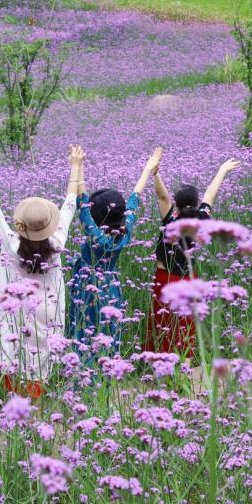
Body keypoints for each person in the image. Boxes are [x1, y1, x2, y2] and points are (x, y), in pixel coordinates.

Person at [0, 146, 82, 399]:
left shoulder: (12, 244)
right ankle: (36, 408)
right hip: (46, 310)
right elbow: (69, 204)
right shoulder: (56, 244)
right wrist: (76, 165)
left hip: (17, 313)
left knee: (14, 354)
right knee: (40, 360)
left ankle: (16, 410)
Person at [68, 148, 162, 359]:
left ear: (96, 216)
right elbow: (133, 201)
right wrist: (148, 169)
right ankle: (107, 378)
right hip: (111, 289)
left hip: (87, 288)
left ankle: (84, 379)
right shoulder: (123, 232)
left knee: (85, 333)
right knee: (108, 333)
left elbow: (82, 203)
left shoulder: (97, 238)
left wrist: (79, 166)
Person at [145, 159, 240, 355]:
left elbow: (162, 197)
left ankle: (161, 369)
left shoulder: (172, 219)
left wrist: (156, 174)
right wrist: (222, 170)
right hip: (189, 280)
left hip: (166, 279)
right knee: (184, 327)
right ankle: (185, 371)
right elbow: (211, 194)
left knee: (162, 324)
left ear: (176, 204)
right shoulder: (203, 217)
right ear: (197, 203)